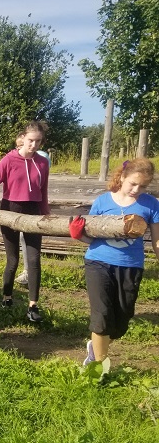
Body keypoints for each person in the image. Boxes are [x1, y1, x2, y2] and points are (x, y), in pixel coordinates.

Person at [69, 158, 159, 372]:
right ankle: (99, 368)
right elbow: (92, 237)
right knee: (101, 315)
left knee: (121, 320)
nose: (137, 190)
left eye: (143, 186)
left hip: (131, 265)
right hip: (98, 262)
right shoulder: (102, 202)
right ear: (122, 177)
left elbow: (156, 240)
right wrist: (79, 235)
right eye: (133, 184)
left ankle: (96, 348)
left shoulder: (151, 204)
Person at [0, 120, 50, 322]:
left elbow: (43, 192)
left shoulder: (43, 163)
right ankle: (7, 296)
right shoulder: (8, 161)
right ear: (23, 139)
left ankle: (33, 306)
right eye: (30, 140)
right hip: (10, 210)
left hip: (33, 211)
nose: (33, 145)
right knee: (13, 260)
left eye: (38, 141)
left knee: (34, 260)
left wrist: (45, 214)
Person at [16, 149, 51, 286]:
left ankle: (29, 272)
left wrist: (44, 210)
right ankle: (27, 270)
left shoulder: (42, 158)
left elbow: (42, 188)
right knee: (22, 238)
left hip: (33, 206)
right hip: (21, 205)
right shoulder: (17, 159)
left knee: (31, 241)